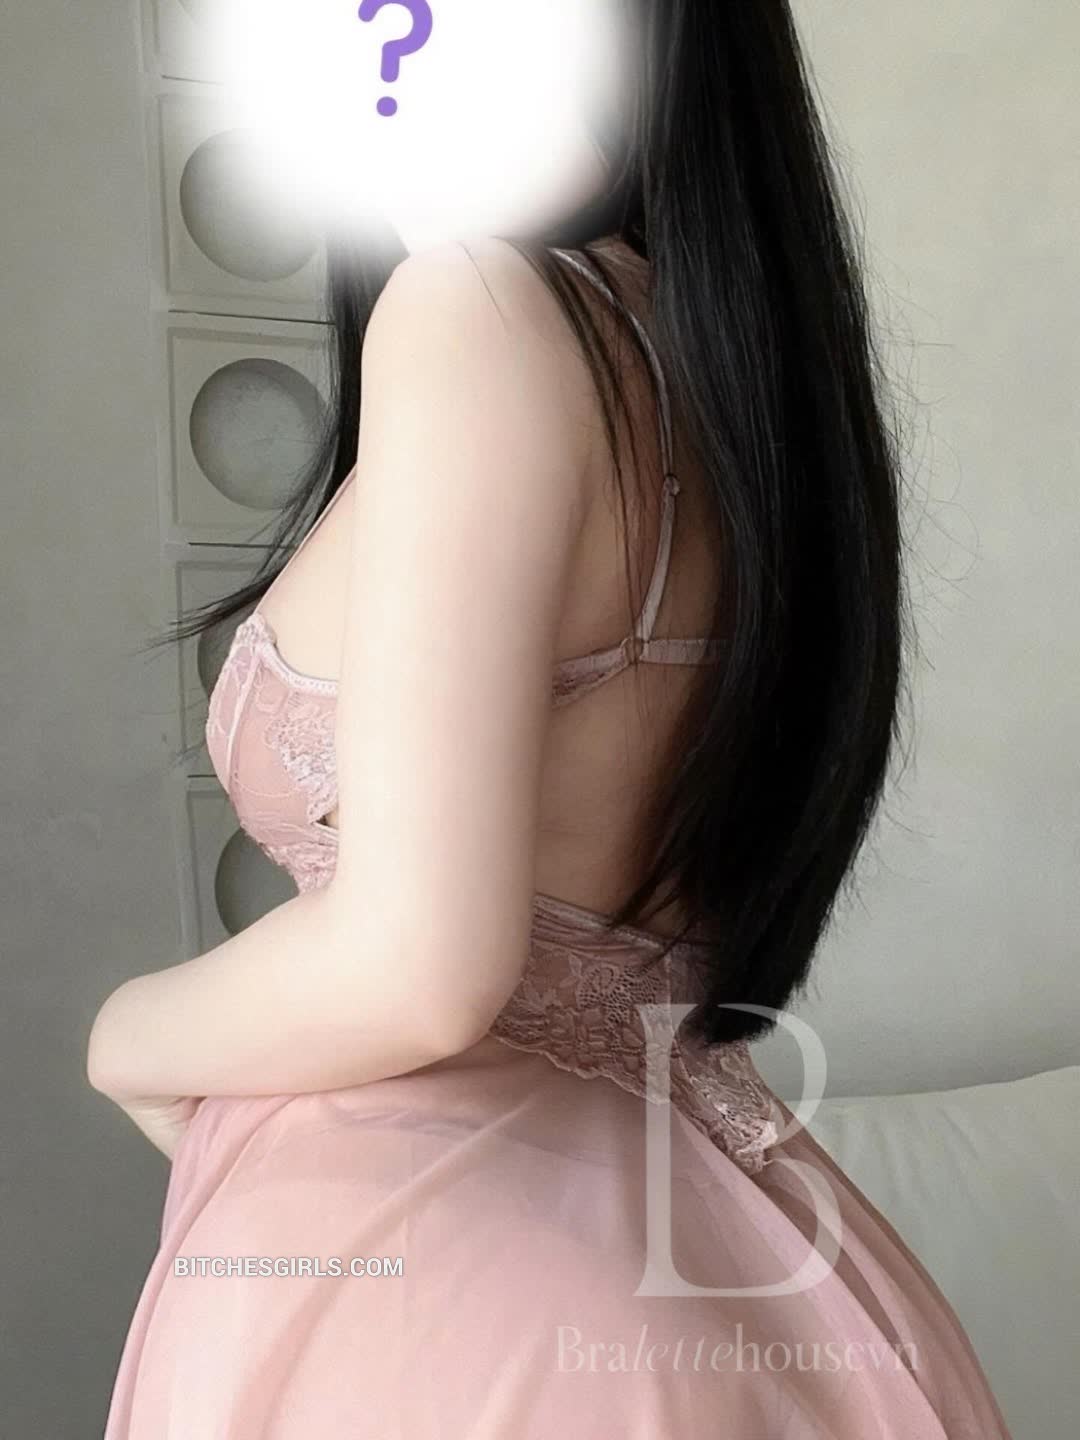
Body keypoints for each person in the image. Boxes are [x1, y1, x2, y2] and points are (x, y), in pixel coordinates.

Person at [89, 2, 1012, 1434]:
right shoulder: (725, 380)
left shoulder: (482, 313)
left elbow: (416, 968)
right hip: (730, 1242)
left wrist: (124, 1037)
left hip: (446, 1279)